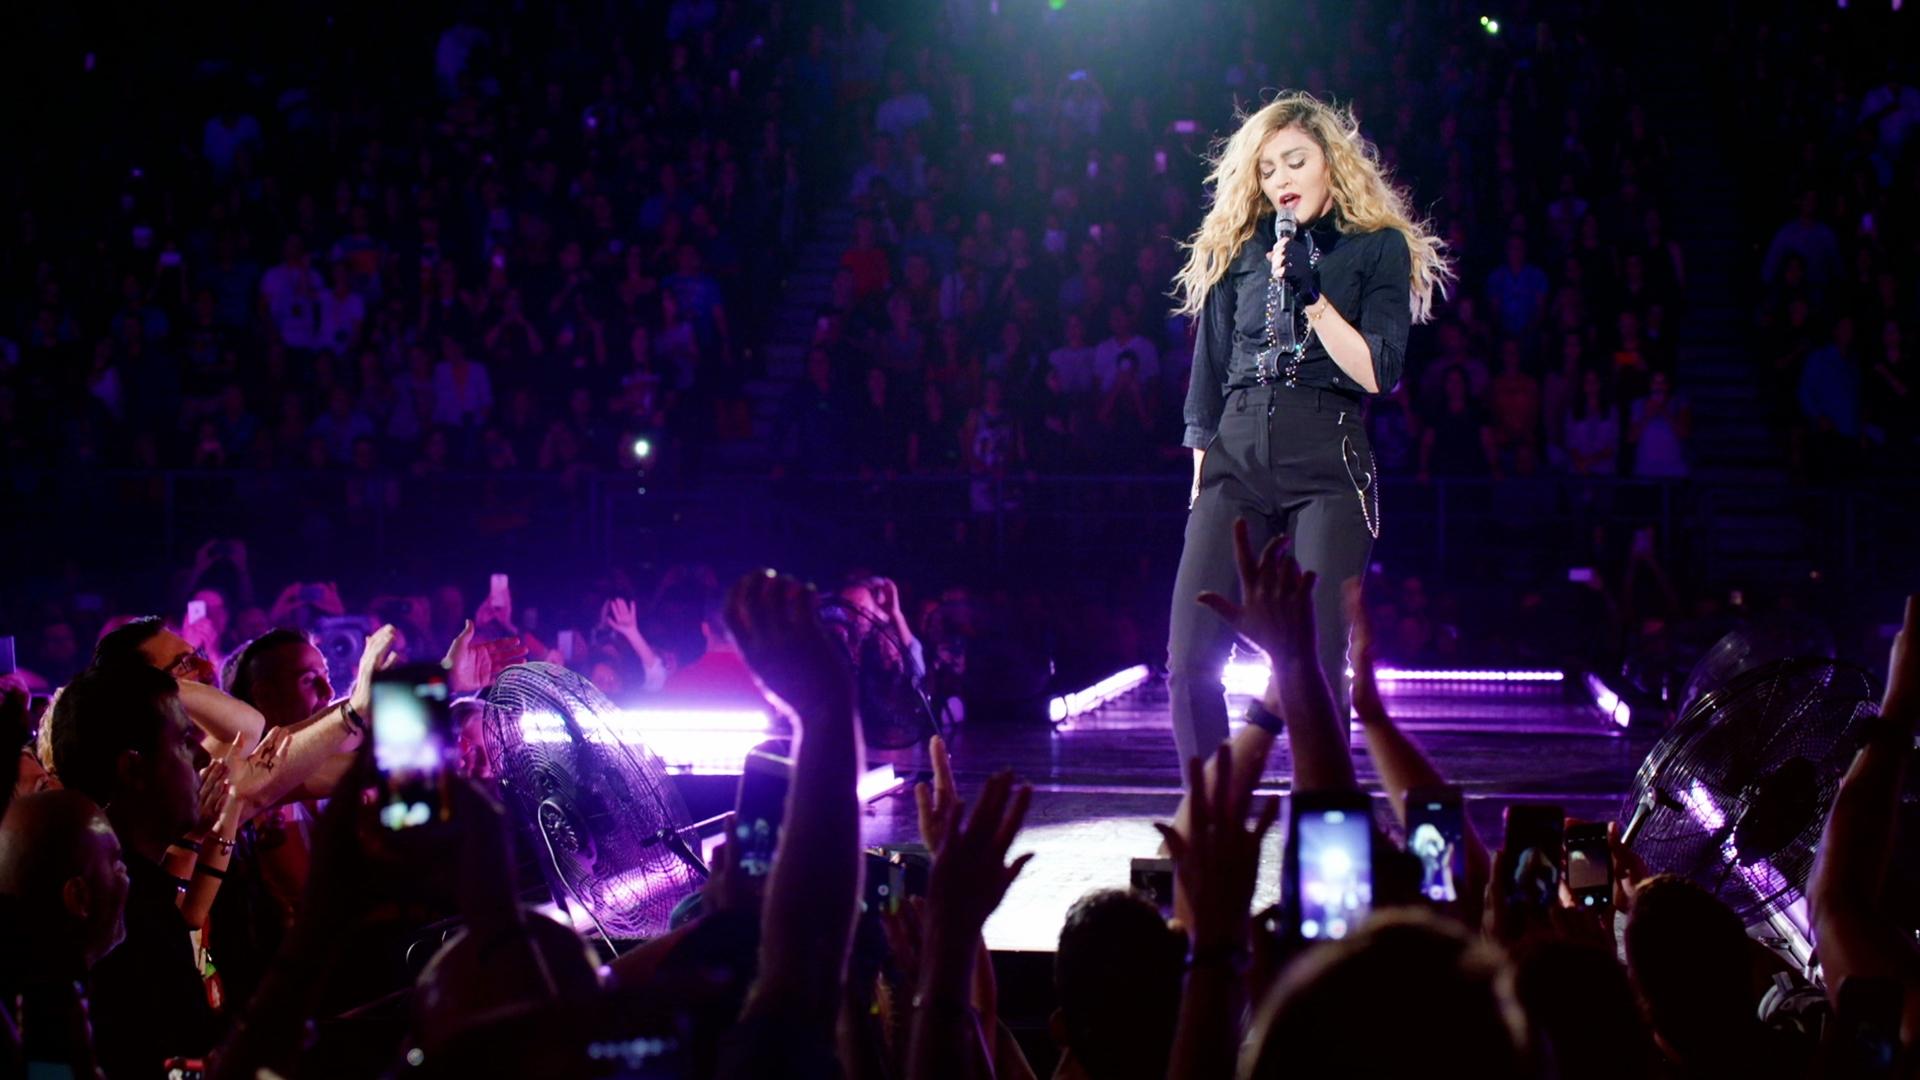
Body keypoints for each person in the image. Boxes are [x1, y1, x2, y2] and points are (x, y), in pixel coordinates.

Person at [1167, 92, 1453, 768]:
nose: (1281, 180)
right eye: (1267, 170)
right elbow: (1205, 386)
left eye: (1295, 161)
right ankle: (1211, 823)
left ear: (1332, 162)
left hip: (1327, 458)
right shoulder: (1239, 247)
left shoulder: (1374, 248)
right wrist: (1201, 489)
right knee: (1188, 662)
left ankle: (1326, 830)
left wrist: (1313, 298)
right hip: (1234, 460)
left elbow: (1380, 371)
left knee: (1319, 670)